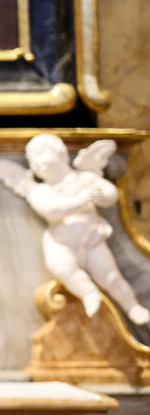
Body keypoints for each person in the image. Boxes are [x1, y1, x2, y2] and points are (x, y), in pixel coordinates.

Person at [21, 134, 150, 325]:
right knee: (62, 267)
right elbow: (52, 211)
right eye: (32, 160)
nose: (37, 162)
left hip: (91, 239)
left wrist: (103, 196)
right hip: (61, 243)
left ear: (61, 153)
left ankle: (132, 306)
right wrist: (83, 199)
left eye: (40, 154)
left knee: (110, 277)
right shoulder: (40, 191)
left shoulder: (85, 178)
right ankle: (88, 292)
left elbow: (111, 194)